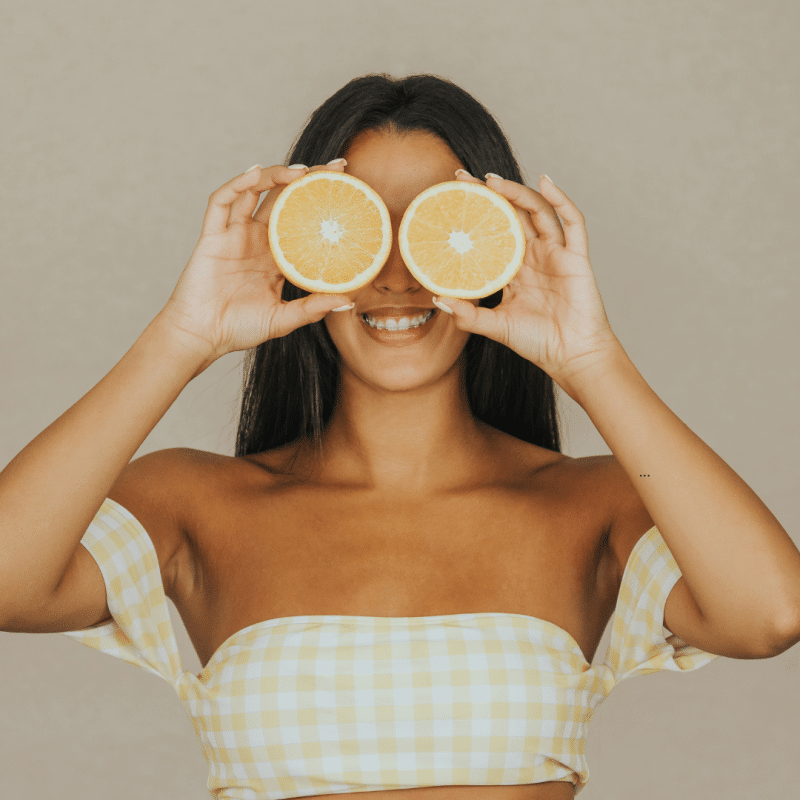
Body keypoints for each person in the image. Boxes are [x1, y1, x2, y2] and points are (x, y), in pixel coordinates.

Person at [1, 73, 799, 799]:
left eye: (434, 228)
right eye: (355, 230)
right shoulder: (198, 503)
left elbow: (768, 614)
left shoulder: (588, 506)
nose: (395, 275)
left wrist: (590, 359)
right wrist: (182, 335)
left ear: (498, 247)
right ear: (298, 252)